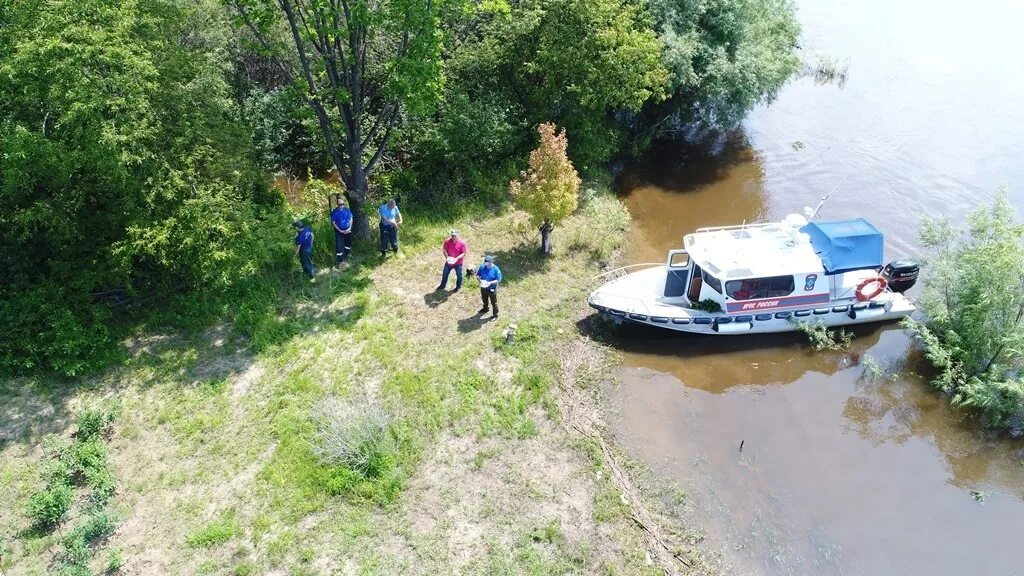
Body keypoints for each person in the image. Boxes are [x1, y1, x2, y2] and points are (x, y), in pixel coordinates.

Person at [331, 196, 353, 267]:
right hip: (339, 231)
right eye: (340, 204)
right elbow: (333, 223)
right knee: (339, 245)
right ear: (337, 205)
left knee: (348, 243)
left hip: (347, 230)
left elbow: (351, 219)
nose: (342, 206)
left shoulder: (347, 210)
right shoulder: (334, 212)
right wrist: (340, 230)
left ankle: (347, 254)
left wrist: (349, 228)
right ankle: (340, 260)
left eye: (343, 204)